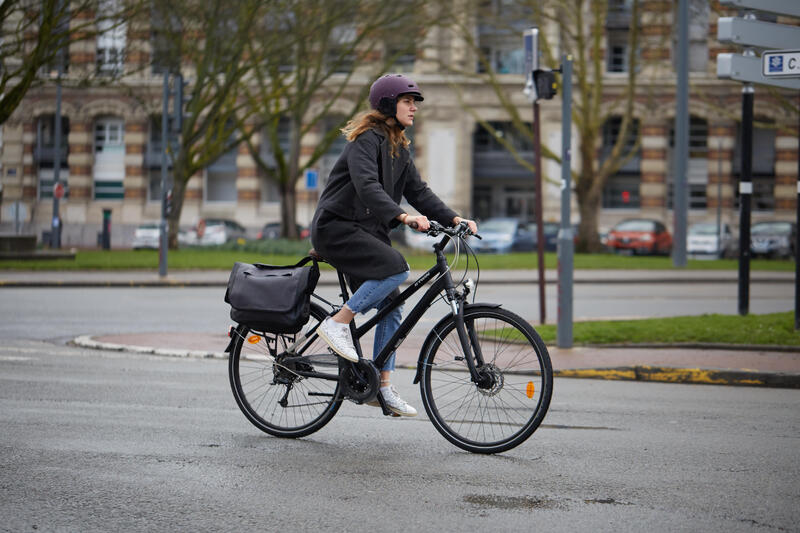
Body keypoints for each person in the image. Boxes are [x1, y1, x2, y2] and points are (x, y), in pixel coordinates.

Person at [311, 74, 477, 417]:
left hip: (365, 232)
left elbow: (419, 191)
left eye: (414, 102)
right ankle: (338, 323)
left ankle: (382, 388)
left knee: (393, 304)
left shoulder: (397, 146)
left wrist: (455, 219)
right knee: (397, 267)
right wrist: (404, 218)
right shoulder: (365, 140)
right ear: (389, 105)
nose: (414, 108)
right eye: (407, 101)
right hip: (337, 229)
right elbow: (368, 186)